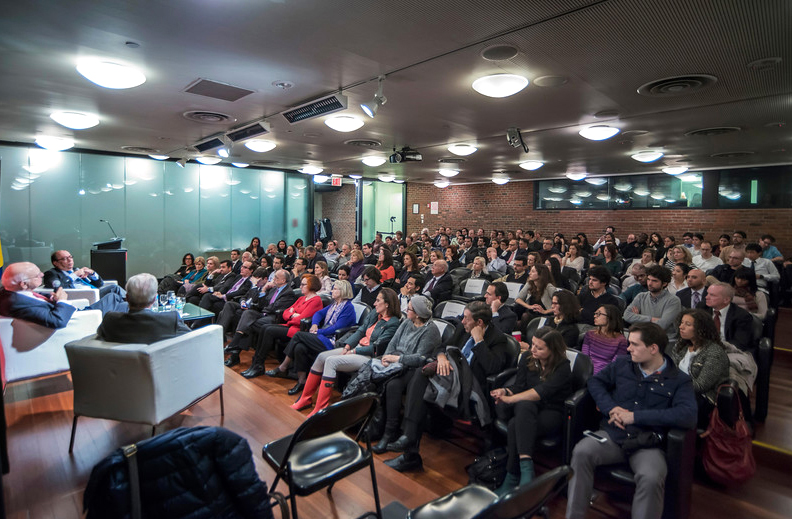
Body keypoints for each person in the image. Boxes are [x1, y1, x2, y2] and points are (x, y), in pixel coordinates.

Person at [566, 322, 696, 519]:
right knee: (582, 452)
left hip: (647, 442)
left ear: (653, 348)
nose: (628, 348)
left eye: (634, 344)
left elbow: (688, 415)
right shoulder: (622, 364)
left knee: (651, 477)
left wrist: (635, 416)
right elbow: (595, 382)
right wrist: (611, 408)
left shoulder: (679, 380)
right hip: (613, 435)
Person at [384, 301, 509, 472]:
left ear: (479, 323)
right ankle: (409, 445)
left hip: (469, 387)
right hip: (448, 378)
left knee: (421, 381)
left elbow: (492, 368)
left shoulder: (498, 339)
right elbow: (441, 347)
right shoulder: (462, 329)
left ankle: (409, 447)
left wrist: (479, 341)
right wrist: (442, 357)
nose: (462, 321)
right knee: (421, 375)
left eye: (466, 318)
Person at [291, 288, 402, 415]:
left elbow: (376, 348)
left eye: (378, 300)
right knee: (321, 357)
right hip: (356, 348)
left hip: (368, 355)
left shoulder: (393, 324)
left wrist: (354, 351)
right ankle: (305, 399)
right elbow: (360, 331)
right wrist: (347, 347)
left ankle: (320, 408)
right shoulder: (374, 314)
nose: (374, 303)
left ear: (387, 304)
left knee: (331, 361)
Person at [491, 327, 572, 496]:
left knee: (515, 423)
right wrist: (504, 392)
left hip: (552, 410)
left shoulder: (563, 367)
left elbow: (542, 392)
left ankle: (512, 477)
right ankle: (526, 469)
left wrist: (510, 399)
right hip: (528, 409)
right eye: (533, 344)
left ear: (553, 350)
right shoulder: (528, 357)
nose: (533, 349)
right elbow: (519, 386)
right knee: (524, 406)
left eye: (539, 347)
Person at [265, 280, 357, 395]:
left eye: (335, 289)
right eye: (333, 288)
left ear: (343, 291)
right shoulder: (334, 305)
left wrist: (319, 331)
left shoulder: (348, 308)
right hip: (322, 335)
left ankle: (283, 366)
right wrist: (314, 324)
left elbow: (337, 328)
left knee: (299, 335)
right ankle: (301, 380)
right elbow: (318, 314)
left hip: (332, 341)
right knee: (299, 347)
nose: (332, 291)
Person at [237, 274, 325, 375]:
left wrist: (292, 315)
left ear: (312, 286)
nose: (300, 286)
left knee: (269, 330)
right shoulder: (301, 298)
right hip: (289, 326)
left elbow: (300, 320)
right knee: (264, 327)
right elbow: (285, 313)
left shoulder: (316, 300)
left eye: (303, 284)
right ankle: (256, 363)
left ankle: (258, 365)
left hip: (298, 331)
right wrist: (293, 315)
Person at [0, 262, 128, 328]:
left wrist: (51, 299)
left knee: (116, 296)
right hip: (78, 318)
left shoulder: (13, 294)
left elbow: (99, 283)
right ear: (23, 284)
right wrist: (62, 301)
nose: (42, 275)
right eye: (37, 275)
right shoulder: (15, 303)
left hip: (74, 311)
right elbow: (57, 321)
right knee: (122, 303)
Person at [222, 269, 298, 365]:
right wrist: (263, 290)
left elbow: (274, 307)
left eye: (276, 277)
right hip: (264, 313)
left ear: (283, 281)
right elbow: (262, 304)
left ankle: (235, 351)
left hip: (274, 317)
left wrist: (263, 308)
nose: (273, 279)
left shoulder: (289, 293)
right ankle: (234, 347)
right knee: (247, 313)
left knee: (249, 324)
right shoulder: (273, 289)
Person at [670, 309, 730, 428]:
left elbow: (700, 386)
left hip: (702, 398)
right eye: (681, 323)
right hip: (679, 391)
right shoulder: (680, 345)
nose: (681, 327)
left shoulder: (714, 352)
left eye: (688, 324)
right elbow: (670, 370)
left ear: (701, 328)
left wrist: (670, 385)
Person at [96, 273, 190, 343]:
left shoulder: (110, 320)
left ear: (127, 298)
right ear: (154, 299)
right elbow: (192, 339)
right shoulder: (170, 320)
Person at [623, 265, 682, 339]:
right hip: (642, 336)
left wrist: (637, 319)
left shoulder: (673, 300)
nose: (650, 283)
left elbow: (662, 325)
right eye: (648, 279)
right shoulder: (641, 296)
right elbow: (627, 315)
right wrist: (651, 319)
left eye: (654, 281)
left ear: (664, 284)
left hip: (663, 339)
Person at [43, 249, 126, 299]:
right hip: (83, 296)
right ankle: (136, 304)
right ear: (55, 263)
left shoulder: (76, 270)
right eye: (65, 258)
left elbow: (100, 284)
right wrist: (74, 275)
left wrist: (93, 274)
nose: (70, 260)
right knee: (114, 289)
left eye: (70, 257)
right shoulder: (51, 274)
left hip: (94, 292)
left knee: (116, 297)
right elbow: (58, 287)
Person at [701, 282, 754, 352]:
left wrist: (717, 349)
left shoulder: (742, 316)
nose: (706, 297)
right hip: (704, 349)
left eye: (712, 295)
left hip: (730, 351)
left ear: (726, 300)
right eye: (707, 293)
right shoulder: (702, 308)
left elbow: (739, 343)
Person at [581, 304, 628, 374]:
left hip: (605, 377)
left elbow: (614, 366)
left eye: (599, 314)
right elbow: (585, 358)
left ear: (610, 317)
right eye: (595, 313)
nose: (594, 316)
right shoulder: (589, 334)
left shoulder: (621, 341)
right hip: (586, 373)